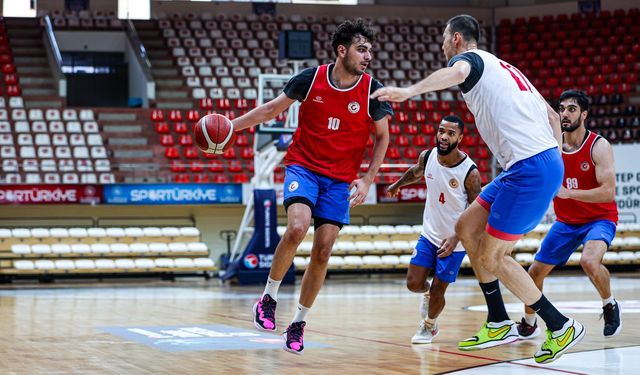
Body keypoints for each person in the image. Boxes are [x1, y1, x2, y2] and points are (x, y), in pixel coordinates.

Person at [371, 14, 584, 364]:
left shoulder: (469, 60)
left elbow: (454, 73)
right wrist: (558, 158)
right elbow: (549, 114)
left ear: (456, 39)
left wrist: (409, 91)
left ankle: (560, 326)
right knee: (466, 227)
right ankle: (499, 319)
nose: (441, 45)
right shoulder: (505, 67)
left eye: (443, 38)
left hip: (531, 167)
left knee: (491, 257)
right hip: (530, 164)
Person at [231, 18, 392, 355]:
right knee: (297, 227)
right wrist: (233, 126)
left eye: (370, 51)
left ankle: (299, 322)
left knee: (323, 250)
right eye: (362, 49)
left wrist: (367, 178)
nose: (368, 56)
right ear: (342, 50)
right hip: (304, 166)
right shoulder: (311, 78)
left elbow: (382, 137)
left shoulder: (372, 91)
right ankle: (268, 298)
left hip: (339, 180)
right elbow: (273, 109)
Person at [518, 89, 621, 339]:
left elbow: (608, 192)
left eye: (571, 109)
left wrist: (569, 194)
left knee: (589, 261)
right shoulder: (551, 144)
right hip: (566, 222)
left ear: (584, 114)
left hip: (599, 219)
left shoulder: (599, 146)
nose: (565, 113)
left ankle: (609, 303)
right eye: (562, 109)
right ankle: (530, 322)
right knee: (534, 273)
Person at [386, 115, 481, 344]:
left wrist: (457, 236)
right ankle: (428, 295)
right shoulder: (427, 156)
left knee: (440, 289)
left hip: (455, 242)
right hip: (429, 234)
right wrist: (398, 184)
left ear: (460, 137)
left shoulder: (470, 172)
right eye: (441, 131)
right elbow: (416, 171)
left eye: (450, 133)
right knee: (413, 283)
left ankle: (429, 326)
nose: (444, 137)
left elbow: (477, 211)